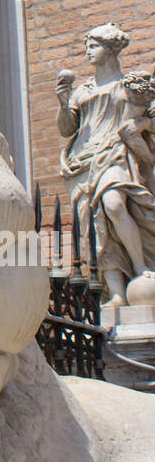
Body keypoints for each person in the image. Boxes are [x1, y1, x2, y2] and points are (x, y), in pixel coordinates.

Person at [56, 22, 155, 306]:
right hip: (82, 161)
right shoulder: (82, 91)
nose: (88, 50)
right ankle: (116, 293)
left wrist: (142, 122)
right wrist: (63, 102)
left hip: (115, 154)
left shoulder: (130, 87)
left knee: (112, 204)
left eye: (94, 45)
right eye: (87, 45)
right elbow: (67, 129)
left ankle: (141, 268)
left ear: (111, 49)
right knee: (94, 225)